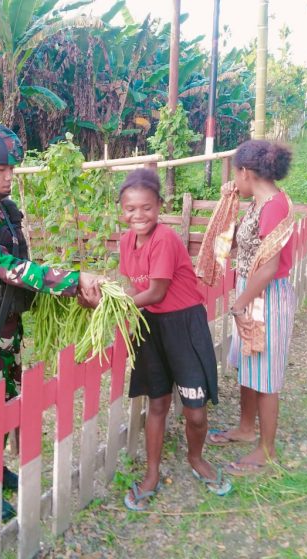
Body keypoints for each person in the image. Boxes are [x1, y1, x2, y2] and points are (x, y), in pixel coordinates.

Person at [0, 122, 101, 520]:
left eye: (11, 169)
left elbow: (24, 265)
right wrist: (70, 281)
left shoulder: (3, 212)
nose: (9, 175)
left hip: (8, 325)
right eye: (1, 169)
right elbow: (9, 268)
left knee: (5, 400)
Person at [110, 168, 231, 511]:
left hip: (183, 325)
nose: (138, 215)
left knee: (195, 410)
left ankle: (196, 458)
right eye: (131, 208)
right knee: (157, 404)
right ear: (122, 209)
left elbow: (157, 291)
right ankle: (151, 473)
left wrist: (112, 305)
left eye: (146, 207)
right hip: (151, 326)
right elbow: (136, 287)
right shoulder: (125, 242)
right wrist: (130, 315)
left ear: (160, 206)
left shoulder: (165, 239)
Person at [206, 140, 296, 477]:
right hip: (252, 291)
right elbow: (233, 243)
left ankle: (266, 449)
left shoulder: (274, 206)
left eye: (235, 176)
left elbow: (270, 267)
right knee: (248, 363)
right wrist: (227, 199)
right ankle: (246, 427)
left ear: (246, 172)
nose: (234, 182)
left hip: (266, 297)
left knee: (266, 374)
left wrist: (241, 303)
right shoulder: (257, 202)